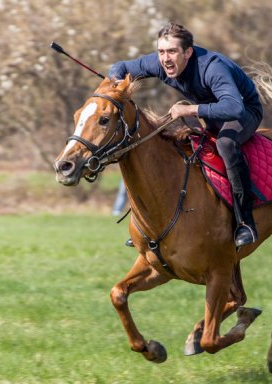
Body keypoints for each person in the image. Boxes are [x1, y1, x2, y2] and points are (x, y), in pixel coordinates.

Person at [108, 22, 262, 247]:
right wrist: (117, 83)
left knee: (226, 144)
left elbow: (234, 108)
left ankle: (245, 223)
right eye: (161, 51)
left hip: (244, 111)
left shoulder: (212, 67)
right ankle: (155, 226)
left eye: (171, 52)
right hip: (211, 112)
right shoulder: (159, 63)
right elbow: (119, 67)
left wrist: (190, 109)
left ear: (188, 52)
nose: (165, 58)